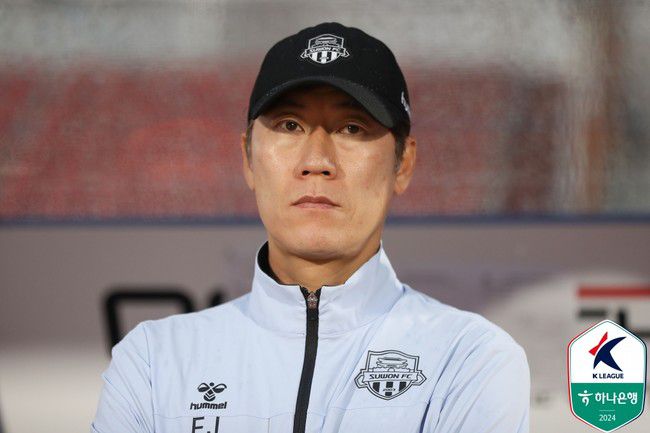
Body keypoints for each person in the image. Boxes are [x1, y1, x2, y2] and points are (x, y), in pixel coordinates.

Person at [91, 22, 529, 433]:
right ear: (248, 157)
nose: (317, 161)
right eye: (289, 125)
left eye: (352, 128)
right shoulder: (153, 361)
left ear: (404, 163)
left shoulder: (468, 358)